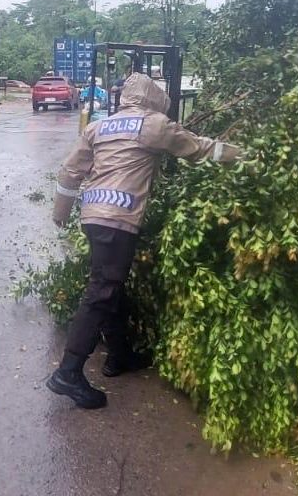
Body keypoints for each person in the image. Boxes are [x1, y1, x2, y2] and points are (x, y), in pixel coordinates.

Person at [48, 72, 242, 409]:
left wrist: (60, 213)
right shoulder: (153, 125)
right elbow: (199, 149)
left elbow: (70, 171)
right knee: (101, 293)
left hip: (93, 217)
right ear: (154, 98)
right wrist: (243, 156)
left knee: (111, 287)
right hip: (118, 219)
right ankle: (68, 372)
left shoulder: (99, 126)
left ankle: (119, 354)